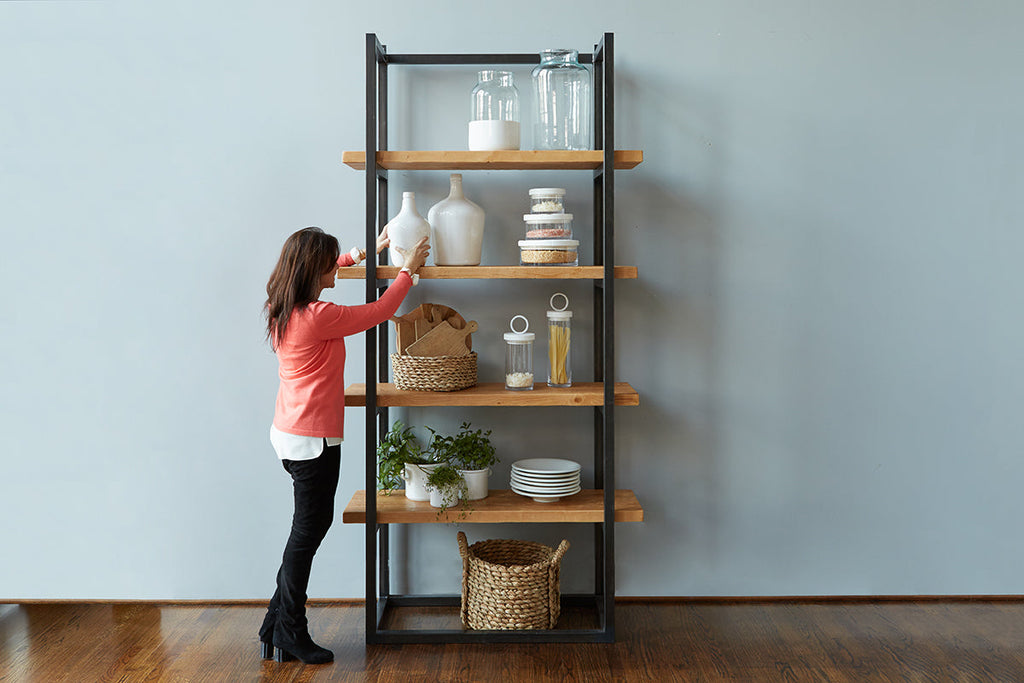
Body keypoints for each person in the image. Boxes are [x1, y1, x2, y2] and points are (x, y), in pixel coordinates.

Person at [259, 225, 428, 664]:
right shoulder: (320, 315)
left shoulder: (283, 306)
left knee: (304, 531)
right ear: (313, 268)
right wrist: (408, 271)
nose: (337, 267)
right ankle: (290, 630)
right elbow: (378, 311)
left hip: (289, 433)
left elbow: (335, 265)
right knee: (306, 534)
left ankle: (275, 623)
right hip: (313, 441)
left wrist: (371, 250)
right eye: (330, 262)